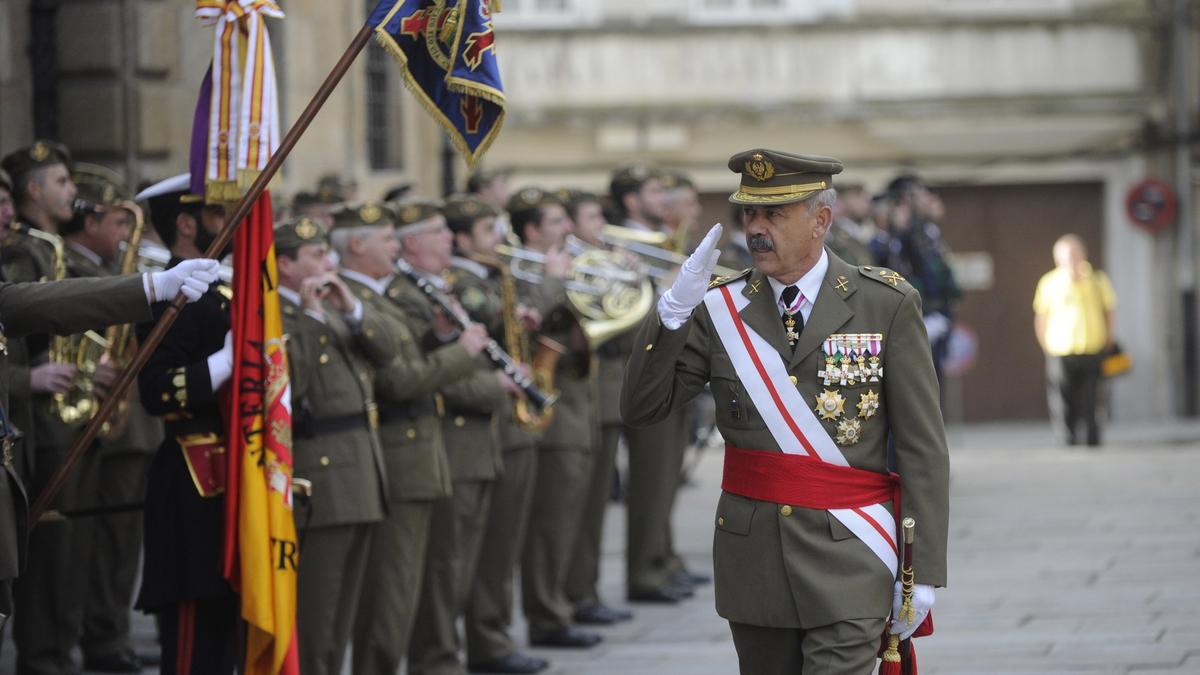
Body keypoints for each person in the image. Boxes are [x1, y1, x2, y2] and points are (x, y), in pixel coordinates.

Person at [621, 149, 949, 674]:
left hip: (851, 554)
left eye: (773, 215)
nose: (755, 228)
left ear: (821, 220)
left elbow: (922, 448)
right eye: (749, 214)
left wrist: (922, 570)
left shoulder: (884, 303)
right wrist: (670, 315)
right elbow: (642, 407)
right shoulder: (717, 308)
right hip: (755, 564)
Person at [332, 201, 488, 675]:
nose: (397, 247)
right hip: (397, 457)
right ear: (357, 245)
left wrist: (441, 338)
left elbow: (411, 360)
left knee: (411, 585)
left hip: (421, 456)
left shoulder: (381, 295)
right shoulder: (356, 301)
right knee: (388, 593)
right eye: (386, 239)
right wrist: (459, 353)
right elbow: (397, 381)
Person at [384, 198, 513, 675]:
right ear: (412, 243)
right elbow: (433, 374)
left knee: (467, 563)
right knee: (444, 566)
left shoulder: (443, 288)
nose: (447, 239)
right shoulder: (407, 296)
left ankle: (454, 652)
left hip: (476, 444)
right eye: (437, 232)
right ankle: (437, 659)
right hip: (450, 440)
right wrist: (492, 387)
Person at [274, 215, 392, 675]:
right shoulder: (278, 313)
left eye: (327, 252)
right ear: (285, 265)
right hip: (320, 474)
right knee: (317, 612)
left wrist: (353, 311)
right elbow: (289, 386)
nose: (329, 262)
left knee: (344, 609)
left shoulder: (338, 303)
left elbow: (387, 353)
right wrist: (308, 317)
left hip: (362, 469)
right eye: (316, 255)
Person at [444, 194, 552, 674]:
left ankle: (493, 636)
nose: (500, 243)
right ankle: (483, 641)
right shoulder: (461, 282)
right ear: (461, 239)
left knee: (502, 544)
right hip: (487, 425)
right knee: (481, 550)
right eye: (489, 233)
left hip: (507, 423)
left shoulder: (489, 276)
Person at [134, 176, 236, 675]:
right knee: (195, 638)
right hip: (191, 480)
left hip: (235, 471)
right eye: (218, 215)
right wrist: (222, 366)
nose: (230, 224)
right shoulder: (167, 295)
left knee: (230, 627)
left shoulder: (225, 292)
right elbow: (154, 389)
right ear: (186, 223)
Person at [1033, 234, 1116, 447]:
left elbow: (1109, 311)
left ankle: (1093, 437)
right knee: (1062, 397)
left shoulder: (1098, 280)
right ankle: (1067, 438)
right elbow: (1041, 316)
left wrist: (1109, 337)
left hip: (1092, 346)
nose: (1071, 260)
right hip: (1060, 348)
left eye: (1074, 254)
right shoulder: (1049, 283)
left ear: (1083, 254)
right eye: (1065, 256)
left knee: (1093, 397)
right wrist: (1045, 344)